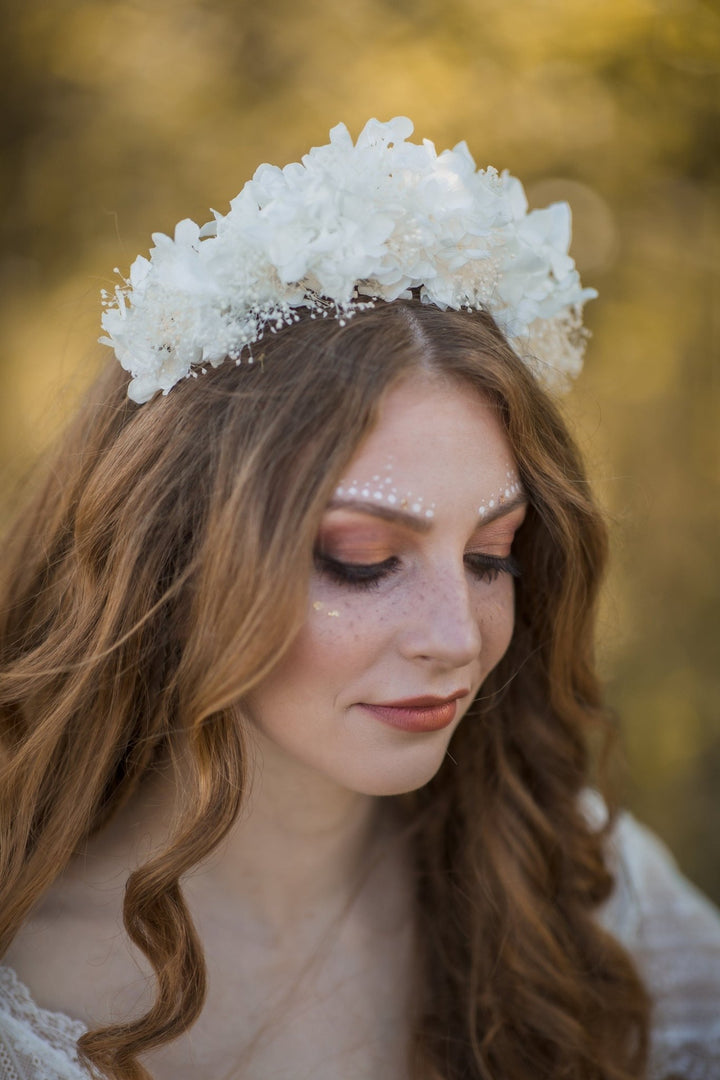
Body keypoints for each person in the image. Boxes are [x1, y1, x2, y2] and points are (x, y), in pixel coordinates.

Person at [0, 117, 718, 1080]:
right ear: (182, 553)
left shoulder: (590, 887)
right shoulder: (24, 990)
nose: (456, 638)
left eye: (492, 555)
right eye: (363, 558)